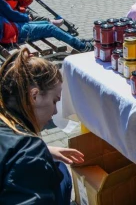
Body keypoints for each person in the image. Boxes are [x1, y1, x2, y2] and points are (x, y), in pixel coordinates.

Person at [0, 49, 85, 204]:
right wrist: (36, 151)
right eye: (54, 101)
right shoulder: (29, 151)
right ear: (34, 96)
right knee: (61, 172)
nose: (54, 111)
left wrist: (46, 150)